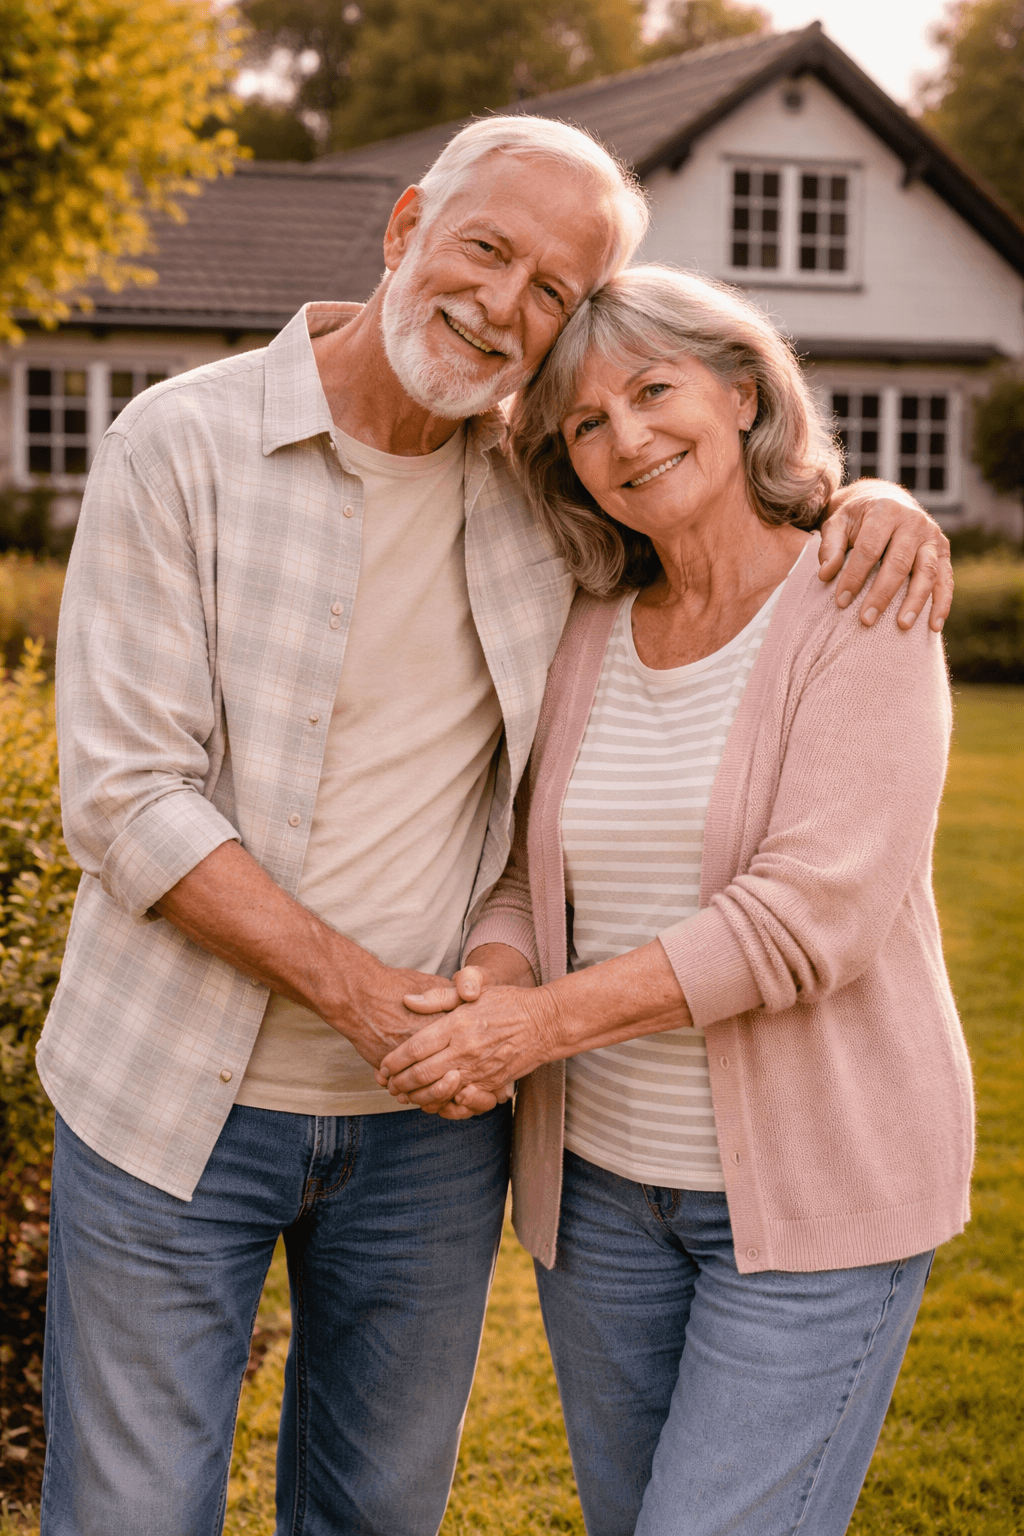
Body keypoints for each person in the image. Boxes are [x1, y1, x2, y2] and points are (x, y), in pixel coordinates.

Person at [40, 111, 951, 1535]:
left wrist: (878, 503)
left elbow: (727, 512)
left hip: (428, 1138)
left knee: (378, 1515)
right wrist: (391, 999)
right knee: (132, 1511)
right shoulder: (184, 445)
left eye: (551, 295)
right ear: (407, 228)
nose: (504, 307)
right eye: (485, 250)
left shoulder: (545, 501)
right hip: (173, 1100)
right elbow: (122, 794)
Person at [378, 266, 973, 1536]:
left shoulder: (860, 602)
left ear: (745, 390)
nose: (627, 439)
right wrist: (499, 970)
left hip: (814, 1207)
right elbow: (526, 879)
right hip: (602, 1201)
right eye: (586, 424)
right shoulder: (589, 625)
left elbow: (808, 917)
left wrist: (533, 1032)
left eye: (653, 391)